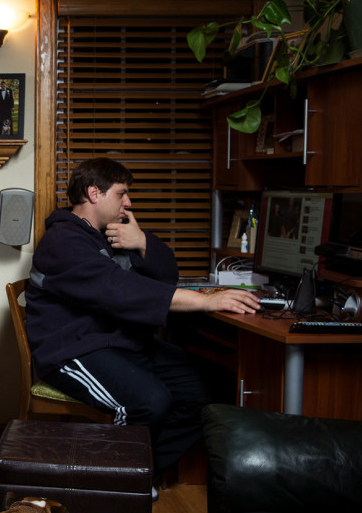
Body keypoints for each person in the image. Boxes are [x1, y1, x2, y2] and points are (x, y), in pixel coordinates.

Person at [25, 158, 259, 487]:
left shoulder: (112, 235)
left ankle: (138, 472)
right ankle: (114, 486)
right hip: (73, 351)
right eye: (121, 193)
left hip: (120, 343)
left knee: (212, 388)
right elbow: (120, 290)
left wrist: (144, 243)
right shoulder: (62, 242)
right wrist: (206, 301)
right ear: (94, 193)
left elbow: (166, 278)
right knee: (149, 402)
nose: (129, 202)